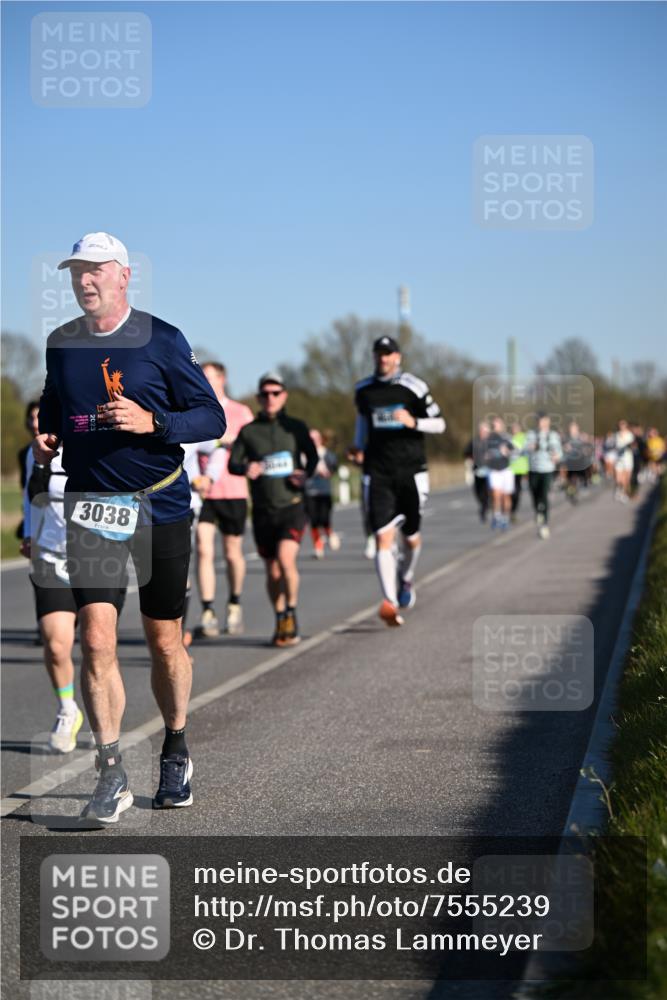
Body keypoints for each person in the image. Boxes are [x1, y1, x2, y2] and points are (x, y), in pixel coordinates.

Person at [33, 232, 226, 825]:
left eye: (94, 271)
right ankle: (110, 768)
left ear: (123, 276)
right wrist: (49, 433)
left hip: (158, 505)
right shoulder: (61, 344)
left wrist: (153, 421)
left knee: (165, 639)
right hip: (93, 503)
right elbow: (55, 404)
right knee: (96, 640)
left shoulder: (161, 339)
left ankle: (175, 745)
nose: (84, 282)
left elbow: (211, 417)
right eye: (75, 273)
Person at [350, 335, 445, 626]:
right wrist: (357, 447)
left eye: (388, 354)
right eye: (379, 353)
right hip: (378, 472)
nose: (383, 359)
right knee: (382, 536)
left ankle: (405, 578)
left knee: (412, 537)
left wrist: (414, 422)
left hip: (412, 472)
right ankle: (389, 602)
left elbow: (439, 424)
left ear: (398, 358)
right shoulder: (363, 390)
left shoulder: (413, 387)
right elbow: (362, 424)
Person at [229, 372, 318, 646]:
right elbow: (233, 464)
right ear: (258, 398)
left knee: (285, 560)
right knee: (273, 571)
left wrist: (305, 473)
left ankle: (291, 611)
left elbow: (312, 457)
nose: (270, 398)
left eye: (275, 393)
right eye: (265, 394)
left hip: (291, 505)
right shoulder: (249, 431)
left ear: (284, 396)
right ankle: (280, 616)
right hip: (263, 510)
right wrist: (247, 468)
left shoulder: (296, 427)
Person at [195, 362, 254, 637]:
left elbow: (254, 447)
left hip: (233, 490)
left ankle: (235, 603)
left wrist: (232, 440)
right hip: (202, 492)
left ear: (222, 379)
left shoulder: (240, 412)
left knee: (232, 553)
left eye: (210, 378)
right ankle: (207, 610)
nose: (205, 383)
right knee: (204, 549)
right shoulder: (194, 409)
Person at [525, 412, 563, 539]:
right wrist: (530, 447)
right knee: (534, 494)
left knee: (544, 495)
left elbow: (559, 453)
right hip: (533, 469)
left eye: (545, 421)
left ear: (548, 422)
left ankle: (545, 524)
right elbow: (523, 450)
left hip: (547, 470)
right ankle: (538, 512)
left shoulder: (553, 435)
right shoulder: (531, 434)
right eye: (540, 421)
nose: (543, 423)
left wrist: (556, 457)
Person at [305, 429, 340, 558]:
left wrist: (328, 472)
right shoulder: (304, 454)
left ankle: (330, 533)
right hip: (309, 491)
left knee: (324, 518)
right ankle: (318, 547)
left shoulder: (327, 453)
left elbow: (334, 467)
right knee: (313, 521)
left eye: (316, 438)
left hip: (324, 491)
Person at [484, 417, 516, 531]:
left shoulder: (506, 438)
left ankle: (505, 517)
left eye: (498, 424)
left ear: (502, 425)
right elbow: (483, 453)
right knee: (496, 495)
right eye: (494, 424)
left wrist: (508, 452)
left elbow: (515, 452)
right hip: (494, 470)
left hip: (506, 470)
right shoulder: (489, 439)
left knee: (505, 496)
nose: (496, 426)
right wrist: (485, 457)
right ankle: (497, 516)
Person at [463, 421, 491, 523]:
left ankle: (484, 509)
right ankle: (484, 505)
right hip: (477, 471)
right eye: (482, 430)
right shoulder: (474, 442)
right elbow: (466, 453)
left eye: (485, 431)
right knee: (478, 492)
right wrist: (470, 459)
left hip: (489, 471)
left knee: (487, 491)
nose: (483, 432)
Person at [509, 422, 529, 522]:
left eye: (516, 428)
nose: (514, 430)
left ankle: (513, 511)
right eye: (513, 428)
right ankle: (510, 510)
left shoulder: (524, 438)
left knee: (517, 492)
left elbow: (528, 451)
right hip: (510, 469)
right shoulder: (509, 439)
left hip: (521, 469)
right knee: (510, 491)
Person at [613, 419, 635, 502]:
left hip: (628, 458)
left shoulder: (630, 435)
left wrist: (628, 446)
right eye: (620, 424)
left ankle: (624, 494)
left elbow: (632, 445)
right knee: (618, 479)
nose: (621, 426)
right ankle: (620, 490)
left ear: (626, 425)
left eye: (623, 424)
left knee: (626, 479)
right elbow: (615, 445)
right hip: (619, 459)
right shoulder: (616, 435)